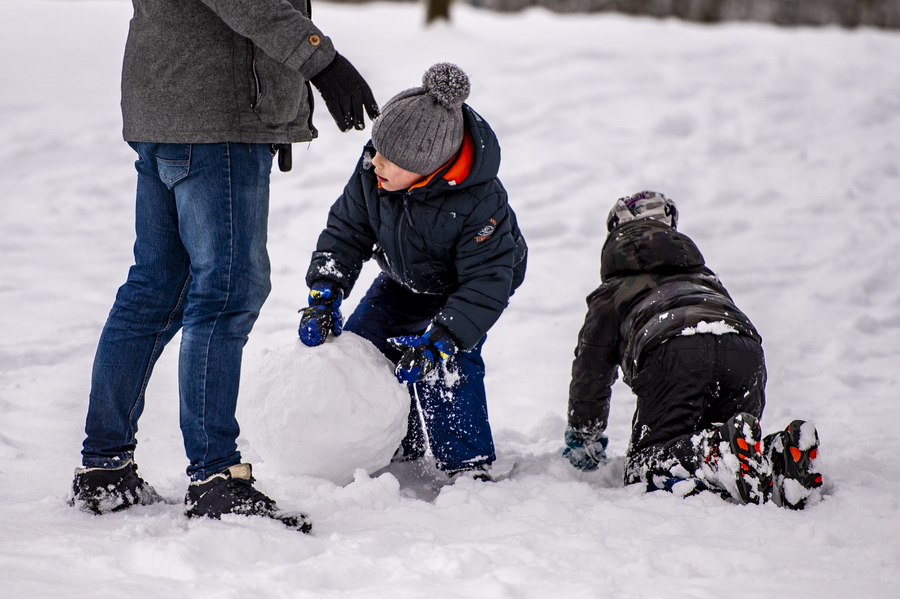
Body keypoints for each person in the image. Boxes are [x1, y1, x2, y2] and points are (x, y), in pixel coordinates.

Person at [71, 0, 379, 531]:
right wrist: (321, 62)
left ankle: (104, 468)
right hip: (214, 115)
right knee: (226, 292)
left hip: (168, 106)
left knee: (155, 288)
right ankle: (216, 478)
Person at [298, 63, 527, 482]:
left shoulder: (480, 202)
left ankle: (466, 466)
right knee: (366, 346)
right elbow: (347, 230)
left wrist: (445, 336)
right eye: (376, 149)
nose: (376, 162)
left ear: (428, 167)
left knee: (445, 364)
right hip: (406, 279)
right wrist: (325, 289)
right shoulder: (376, 169)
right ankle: (399, 443)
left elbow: (486, 282)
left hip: (467, 286)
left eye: (390, 159)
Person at [563, 191, 823, 509]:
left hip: (673, 350)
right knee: (735, 444)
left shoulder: (613, 292)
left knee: (646, 463)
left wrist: (583, 435)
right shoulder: (704, 276)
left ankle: (713, 451)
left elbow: (591, 372)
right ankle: (779, 456)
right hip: (743, 349)